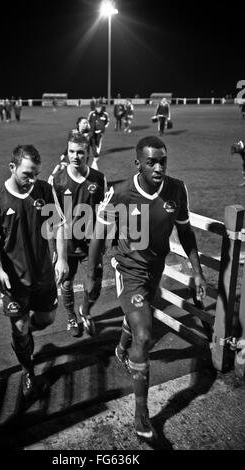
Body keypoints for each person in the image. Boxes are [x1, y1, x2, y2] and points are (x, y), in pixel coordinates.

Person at [87, 135, 206, 441]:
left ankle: (121, 348)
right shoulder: (121, 193)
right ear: (137, 163)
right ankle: (143, 414)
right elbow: (100, 231)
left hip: (155, 270)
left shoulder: (177, 189)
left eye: (162, 160)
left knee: (135, 318)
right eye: (151, 161)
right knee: (144, 332)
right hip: (128, 269)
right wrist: (92, 272)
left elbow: (186, 232)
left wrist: (198, 273)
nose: (158, 167)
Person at [0, 145, 68, 398]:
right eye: (27, 173)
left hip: (43, 275)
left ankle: (25, 335)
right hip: (14, 282)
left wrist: (62, 258)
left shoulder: (44, 190)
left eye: (36, 173)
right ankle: (28, 370)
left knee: (47, 319)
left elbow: (59, 225)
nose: (32, 179)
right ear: (12, 167)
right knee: (19, 328)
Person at [51, 131, 107, 337]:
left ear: (88, 154)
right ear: (67, 152)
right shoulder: (57, 181)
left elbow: (104, 213)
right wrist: (60, 256)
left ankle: (85, 311)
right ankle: (71, 317)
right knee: (66, 281)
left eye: (80, 152)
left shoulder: (99, 179)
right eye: (71, 152)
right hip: (66, 242)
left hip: (91, 243)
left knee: (96, 283)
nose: (75, 156)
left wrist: (102, 242)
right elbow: (54, 221)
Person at [47, 117, 92, 185]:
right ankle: (54, 180)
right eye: (84, 123)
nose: (86, 124)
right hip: (73, 155)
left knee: (81, 170)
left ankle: (79, 184)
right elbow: (69, 145)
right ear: (79, 124)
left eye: (87, 123)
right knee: (66, 168)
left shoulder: (88, 134)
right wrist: (64, 154)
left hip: (84, 156)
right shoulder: (73, 132)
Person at [88, 102, 110, 170]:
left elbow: (108, 121)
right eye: (97, 108)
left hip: (100, 131)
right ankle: (96, 153)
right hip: (92, 131)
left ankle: (97, 152)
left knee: (99, 142)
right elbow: (88, 120)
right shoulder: (92, 113)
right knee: (93, 142)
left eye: (100, 108)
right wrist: (90, 128)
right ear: (95, 108)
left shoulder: (105, 114)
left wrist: (104, 127)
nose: (99, 109)